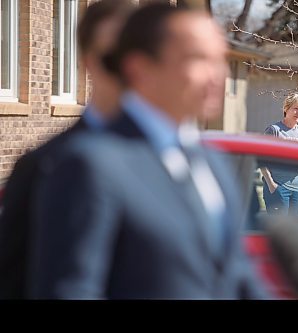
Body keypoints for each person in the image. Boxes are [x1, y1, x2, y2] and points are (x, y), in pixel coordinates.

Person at [27, 3, 269, 299]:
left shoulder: (211, 161)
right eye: (198, 59)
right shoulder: (90, 165)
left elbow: (237, 276)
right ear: (139, 69)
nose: (217, 74)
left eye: (220, 59)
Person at [0, 0, 135, 299]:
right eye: (115, 59)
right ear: (89, 61)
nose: (132, 71)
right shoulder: (42, 167)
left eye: (144, 56)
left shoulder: (184, 163)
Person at [261, 92, 298, 215]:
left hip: (297, 189)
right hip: (278, 187)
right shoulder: (274, 130)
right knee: (278, 231)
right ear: (286, 108)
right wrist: (271, 185)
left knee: (291, 231)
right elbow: (261, 159)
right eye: (296, 109)